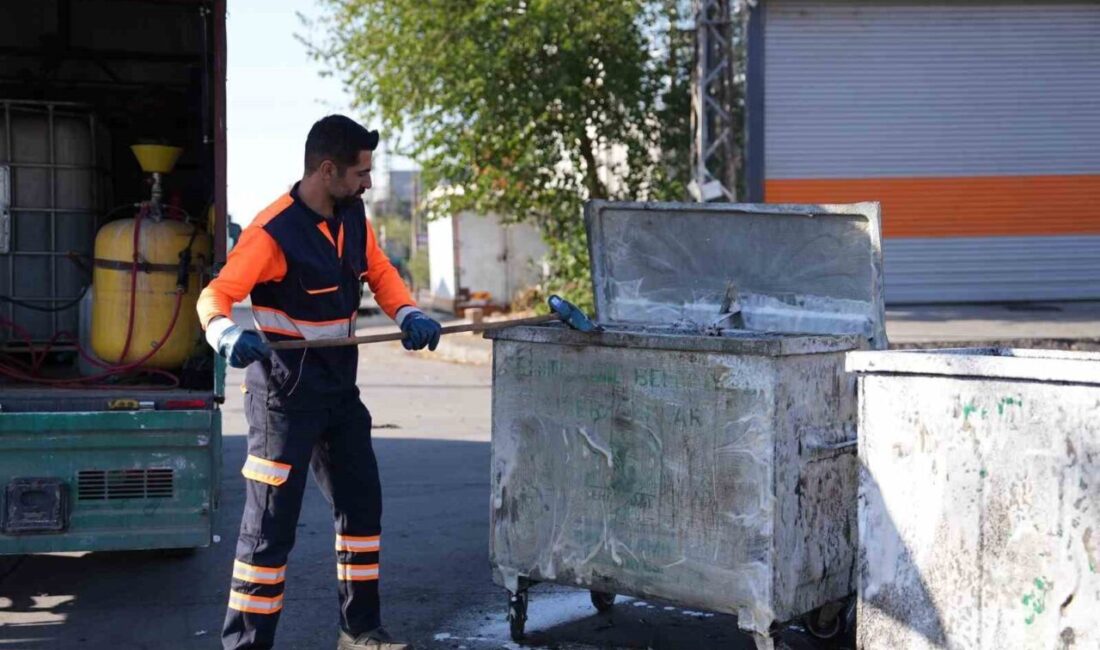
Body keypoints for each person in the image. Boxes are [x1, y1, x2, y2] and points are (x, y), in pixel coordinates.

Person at [196, 115, 441, 650]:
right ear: (327, 170)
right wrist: (224, 333)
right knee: (269, 531)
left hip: (338, 393)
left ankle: (360, 632)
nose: (368, 183)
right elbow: (215, 296)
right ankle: (246, 646)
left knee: (362, 508)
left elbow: (380, 272)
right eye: (360, 172)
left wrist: (407, 313)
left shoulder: (353, 217)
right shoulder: (271, 232)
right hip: (283, 399)